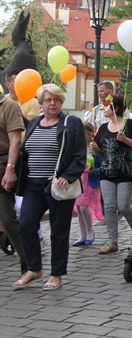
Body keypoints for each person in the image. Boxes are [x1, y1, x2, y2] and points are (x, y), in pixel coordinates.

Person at [14, 84, 86, 291]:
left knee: (59, 231)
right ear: (41, 103)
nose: (52, 103)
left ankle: (57, 274)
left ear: (61, 101)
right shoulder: (34, 123)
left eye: (56, 99)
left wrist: (67, 176)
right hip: (32, 185)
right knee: (26, 225)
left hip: (57, 186)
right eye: (47, 100)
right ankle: (34, 269)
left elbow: (79, 155)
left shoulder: (70, 123)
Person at [90, 94, 132, 254]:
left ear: (116, 108)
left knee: (123, 206)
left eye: (106, 105)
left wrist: (126, 139)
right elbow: (100, 150)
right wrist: (95, 149)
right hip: (107, 173)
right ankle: (112, 241)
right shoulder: (103, 128)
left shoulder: (129, 124)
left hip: (126, 173)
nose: (103, 108)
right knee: (110, 207)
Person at [0, 86, 27, 275]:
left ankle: (27, 258)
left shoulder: (8, 106)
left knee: (7, 218)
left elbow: (16, 140)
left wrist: (10, 170)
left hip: (2, 164)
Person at [71, 122, 103, 246]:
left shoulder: (94, 148)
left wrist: (95, 170)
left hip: (89, 179)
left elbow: (102, 164)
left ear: (89, 134)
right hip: (78, 179)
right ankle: (83, 234)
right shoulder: (76, 147)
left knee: (84, 206)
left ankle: (90, 232)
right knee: (79, 207)